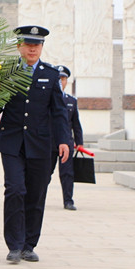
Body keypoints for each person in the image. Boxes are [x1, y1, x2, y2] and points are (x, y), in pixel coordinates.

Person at [0, 25, 70, 264]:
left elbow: (58, 113)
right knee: (15, 189)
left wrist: (64, 140)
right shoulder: (8, 73)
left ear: (42, 47)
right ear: (19, 47)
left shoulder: (52, 74)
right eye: (28, 44)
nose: (32, 48)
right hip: (12, 142)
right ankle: (14, 245)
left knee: (36, 194)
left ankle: (28, 245)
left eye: (37, 45)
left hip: (42, 144)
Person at [51, 65, 83, 211]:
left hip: (66, 143)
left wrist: (79, 143)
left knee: (67, 173)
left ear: (66, 81)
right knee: (44, 172)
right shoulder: (47, 98)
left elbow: (76, 124)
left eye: (63, 79)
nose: (60, 81)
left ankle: (68, 200)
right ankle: (36, 199)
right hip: (49, 141)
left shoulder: (71, 101)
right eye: (58, 78)